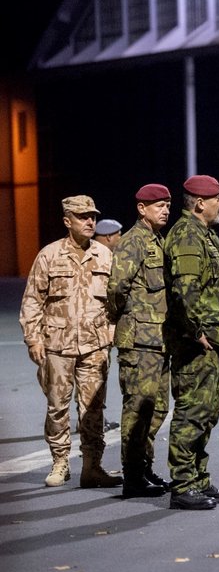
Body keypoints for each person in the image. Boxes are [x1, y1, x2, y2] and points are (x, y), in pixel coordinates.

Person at [20, 195, 121, 488]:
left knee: (93, 408)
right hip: (57, 345)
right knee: (57, 407)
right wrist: (33, 339)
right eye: (82, 216)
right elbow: (32, 301)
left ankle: (92, 466)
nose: (90, 221)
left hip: (95, 344)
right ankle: (60, 462)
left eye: (92, 216)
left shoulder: (104, 255)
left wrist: (113, 331)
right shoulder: (49, 255)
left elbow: (116, 299)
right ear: (68, 221)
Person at [164, 175, 219, 511]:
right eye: (218, 198)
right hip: (197, 342)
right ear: (199, 202)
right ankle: (183, 484)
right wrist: (195, 331)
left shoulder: (204, 234)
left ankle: (198, 478)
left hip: (211, 338)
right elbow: (184, 290)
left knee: (207, 412)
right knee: (191, 411)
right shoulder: (187, 235)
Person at [107, 184, 173, 498]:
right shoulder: (133, 242)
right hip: (138, 340)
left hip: (159, 339)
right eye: (158, 205)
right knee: (137, 407)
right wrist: (125, 319)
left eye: (167, 206)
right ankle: (132, 478)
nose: (164, 210)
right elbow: (116, 287)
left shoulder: (158, 241)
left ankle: (144, 467)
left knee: (158, 408)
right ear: (141, 208)